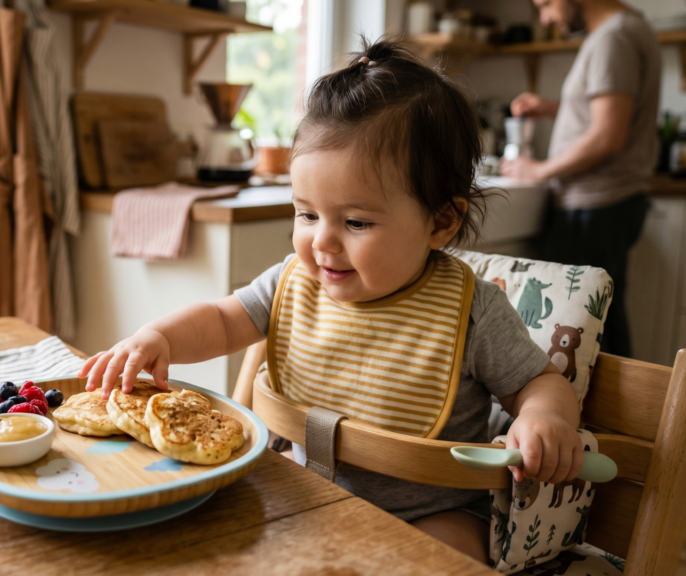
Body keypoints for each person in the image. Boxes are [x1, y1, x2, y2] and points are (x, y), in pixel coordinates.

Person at [78, 40, 583, 564]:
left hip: (433, 512)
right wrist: (160, 337)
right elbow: (224, 319)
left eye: (356, 222)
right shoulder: (295, 281)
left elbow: (537, 383)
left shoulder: (472, 312)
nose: (322, 242)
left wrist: (545, 418)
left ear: (440, 222)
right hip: (309, 488)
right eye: (306, 214)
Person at [502, 0, 661, 358]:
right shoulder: (626, 28)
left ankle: (592, 415)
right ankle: (606, 415)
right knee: (601, 319)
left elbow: (607, 136)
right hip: (606, 203)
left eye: (545, 4)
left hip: (594, 205)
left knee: (586, 325)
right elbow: (608, 110)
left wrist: (538, 170)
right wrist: (553, 108)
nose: (544, 18)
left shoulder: (614, 38)